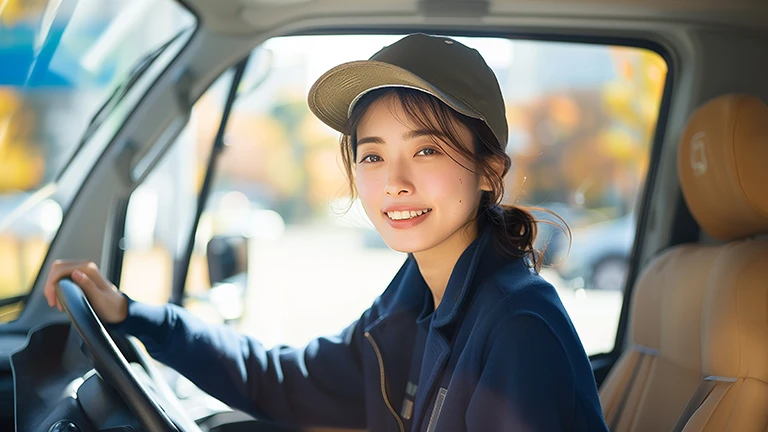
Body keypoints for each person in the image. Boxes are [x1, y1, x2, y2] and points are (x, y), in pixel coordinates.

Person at [45, 33, 609, 431]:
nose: (395, 182)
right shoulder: (414, 299)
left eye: (427, 149)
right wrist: (134, 316)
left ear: (490, 171)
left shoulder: (518, 325)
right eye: (372, 156)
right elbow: (286, 380)